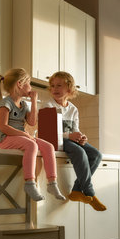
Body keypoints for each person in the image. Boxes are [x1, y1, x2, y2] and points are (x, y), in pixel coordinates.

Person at [0, 68, 65, 202]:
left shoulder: (23, 104)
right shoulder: (6, 103)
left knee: (48, 146)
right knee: (31, 144)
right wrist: (24, 135)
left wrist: (33, 102)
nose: (30, 87)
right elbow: (3, 127)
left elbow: (32, 122)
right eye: (29, 83)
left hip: (21, 137)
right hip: (6, 139)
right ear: (20, 84)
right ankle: (30, 183)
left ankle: (52, 183)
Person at [42, 71, 106, 211]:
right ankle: (90, 193)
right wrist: (70, 137)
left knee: (96, 155)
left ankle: (77, 190)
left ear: (69, 89)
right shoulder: (48, 105)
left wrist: (81, 138)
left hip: (68, 140)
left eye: (59, 85)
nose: (54, 89)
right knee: (79, 152)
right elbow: (49, 132)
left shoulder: (73, 109)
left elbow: (75, 129)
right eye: (52, 86)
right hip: (54, 140)